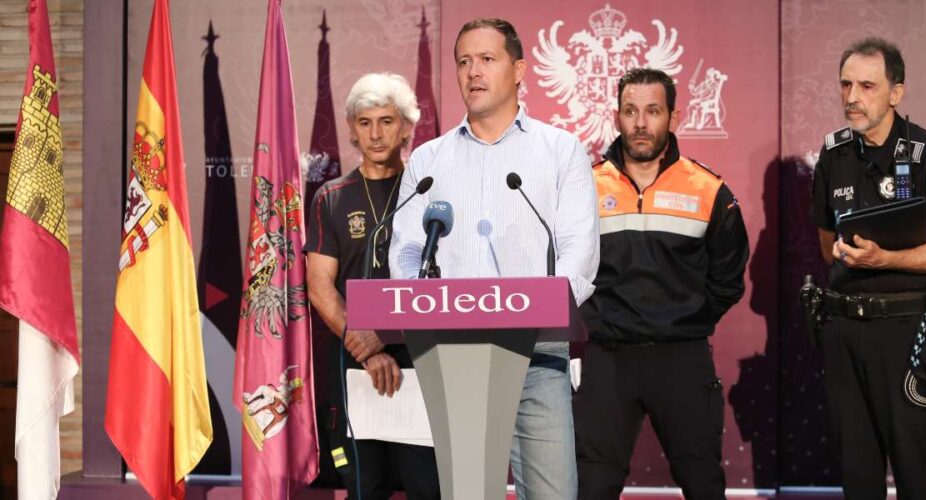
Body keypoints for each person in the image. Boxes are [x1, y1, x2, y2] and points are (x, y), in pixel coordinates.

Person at [387, 17, 599, 500]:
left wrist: (536, 310)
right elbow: (405, 249)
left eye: (487, 59)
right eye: (464, 61)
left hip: (538, 355)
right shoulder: (428, 161)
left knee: (553, 494)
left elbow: (579, 255)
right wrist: (420, 301)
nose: (473, 72)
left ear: (520, 69)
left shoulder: (560, 151)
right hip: (455, 355)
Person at [810, 37, 926, 499]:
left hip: (908, 332)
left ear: (895, 93)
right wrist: (852, 257)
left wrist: (887, 259)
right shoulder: (833, 153)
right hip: (844, 329)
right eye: (845, 85)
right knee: (858, 476)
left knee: (913, 472)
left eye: (866, 86)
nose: (851, 97)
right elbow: (827, 244)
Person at [574, 67, 749, 499]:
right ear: (616, 116)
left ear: (673, 117)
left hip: (681, 360)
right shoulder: (584, 186)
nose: (640, 123)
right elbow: (566, 270)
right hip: (606, 360)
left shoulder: (709, 190)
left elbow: (728, 279)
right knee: (592, 486)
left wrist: (686, 320)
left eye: (652, 111)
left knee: (703, 482)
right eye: (630, 111)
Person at [305, 72, 440, 500]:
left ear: (406, 127)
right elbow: (319, 286)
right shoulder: (332, 196)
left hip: (422, 362)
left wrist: (389, 339)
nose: (377, 133)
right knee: (365, 486)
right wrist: (365, 343)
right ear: (352, 130)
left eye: (386, 120)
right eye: (365, 123)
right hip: (356, 364)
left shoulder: (429, 193)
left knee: (427, 485)